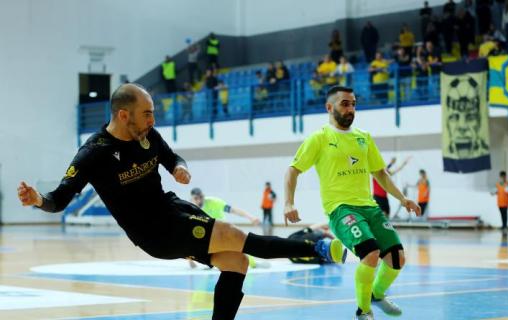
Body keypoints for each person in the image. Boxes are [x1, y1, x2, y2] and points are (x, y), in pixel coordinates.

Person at [17, 83, 346, 320]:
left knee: (236, 263)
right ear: (122, 115)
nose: (152, 120)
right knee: (234, 237)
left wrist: (179, 168)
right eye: (146, 114)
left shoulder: (148, 136)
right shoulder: (94, 153)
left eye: (152, 113)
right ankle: (313, 249)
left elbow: (172, 157)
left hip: (173, 210)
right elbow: (58, 199)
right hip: (153, 231)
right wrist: (38, 199)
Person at [284, 86, 421, 320]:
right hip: (341, 209)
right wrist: (288, 203)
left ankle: (377, 294)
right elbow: (293, 170)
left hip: (369, 207)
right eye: (345, 104)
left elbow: (380, 173)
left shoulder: (363, 137)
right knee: (371, 253)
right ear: (330, 107)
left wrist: (402, 198)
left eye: (354, 104)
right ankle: (363, 310)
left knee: (397, 258)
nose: (351, 109)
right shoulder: (319, 138)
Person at [189, 188, 267, 269]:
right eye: (196, 198)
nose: (199, 200)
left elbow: (233, 210)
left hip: (223, 231)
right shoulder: (190, 210)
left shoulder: (214, 202)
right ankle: (211, 264)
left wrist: (251, 217)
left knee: (240, 243)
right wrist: (190, 260)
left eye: (200, 197)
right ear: (192, 199)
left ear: (203, 196)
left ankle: (253, 264)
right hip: (209, 237)